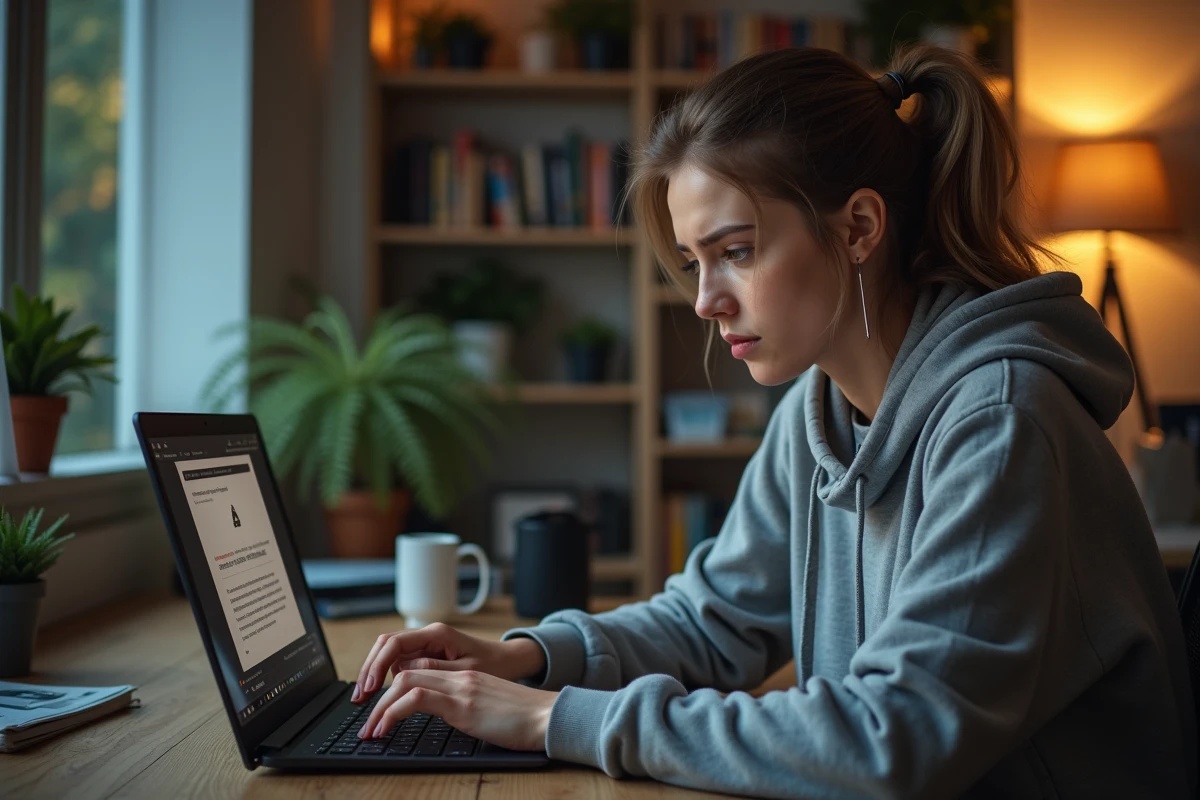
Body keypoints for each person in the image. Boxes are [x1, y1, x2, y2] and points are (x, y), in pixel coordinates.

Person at [352, 44, 1197, 798]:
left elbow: (893, 738)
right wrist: (526, 659)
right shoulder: (816, 412)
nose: (703, 300)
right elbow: (713, 622)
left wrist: (549, 720)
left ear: (860, 227)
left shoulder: (1005, 423)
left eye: (737, 251)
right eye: (693, 261)